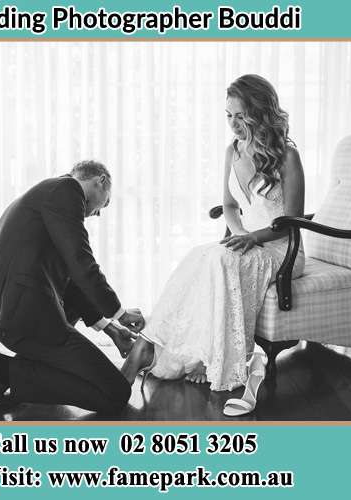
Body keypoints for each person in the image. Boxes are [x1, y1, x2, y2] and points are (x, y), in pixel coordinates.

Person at [120, 74, 306, 416]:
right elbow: (230, 206)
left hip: (282, 251)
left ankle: (212, 361)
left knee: (220, 260)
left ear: (259, 112)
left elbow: (290, 222)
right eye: (228, 115)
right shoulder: (232, 151)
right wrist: (240, 234)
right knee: (202, 256)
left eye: (240, 115)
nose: (233, 124)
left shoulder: (287, 157)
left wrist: (253, 238)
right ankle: (147, 345)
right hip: (247, 243)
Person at [0, 161, 146, 415]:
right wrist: (119, 312)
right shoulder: (67, 190)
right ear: (101, 182)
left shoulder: (50, 197)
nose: (98, 213)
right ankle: (1, 370)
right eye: (105, 203)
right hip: (25, 316)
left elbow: (72, 280)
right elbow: (81, 261)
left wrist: (110, 329)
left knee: (97, 380)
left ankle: (2, 372)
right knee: (117, 394)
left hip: (15, 313)